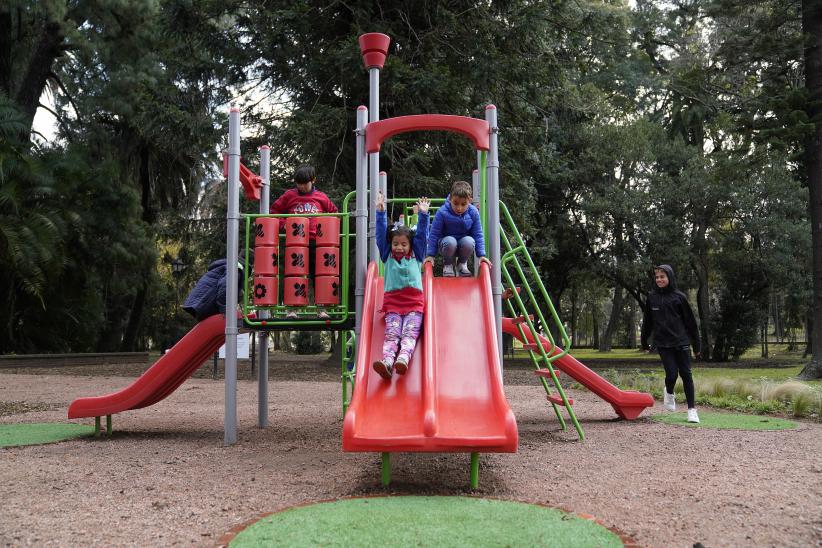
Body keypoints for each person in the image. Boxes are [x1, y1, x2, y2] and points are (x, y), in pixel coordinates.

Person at [372, 192, 430, 380]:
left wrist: (423, 215)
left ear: (410, 245)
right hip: (393, 305)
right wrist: (380, 213)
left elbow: (422, 235)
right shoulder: (387, 255)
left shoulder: (417, 254)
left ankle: (403, 359)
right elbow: (381, 236)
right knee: (392, 334)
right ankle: (387, 362)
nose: (399, 247)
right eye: (396, 243)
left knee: (409, 334)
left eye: (403, 244)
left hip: (414, 305)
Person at [270, 165, 338, 319]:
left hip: (316, 242)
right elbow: (274, 211)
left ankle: (322, 309)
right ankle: (292, 309)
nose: (301, 186)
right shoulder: (289, 196)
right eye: (298, 183)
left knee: (319, 275)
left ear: (313, 180)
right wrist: (284, 224)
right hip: (295, 243)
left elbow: (335, 213)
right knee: (295, 275)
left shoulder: (321, 197)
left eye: (304, 183)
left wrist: (327, 230)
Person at [640, 264, 702, 423]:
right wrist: (644, 341)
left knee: (686, 374)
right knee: (672, 374)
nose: (659, 279)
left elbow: (691, 323)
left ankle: (691, 410)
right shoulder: (652, 297)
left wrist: (697, 345)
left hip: (682, 341)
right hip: (663, 343)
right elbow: (647, 322)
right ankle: (669, 392)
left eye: (663, 276)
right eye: (657, 277)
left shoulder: (679, 297)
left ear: (670, 277)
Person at [424, 180, 487, 276]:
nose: (459, 208)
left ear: (469, 201)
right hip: (446, 245)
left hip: (463, 246)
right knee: (450, 241)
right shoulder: (442, 212)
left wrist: (481, 255)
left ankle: (462, 264)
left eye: (463, 204)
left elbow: (478, 234)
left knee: (469, 241)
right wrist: (430, 255)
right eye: (456, 203)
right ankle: (448, 264)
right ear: (450, 199)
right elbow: (434, 234)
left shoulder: (473, 212)